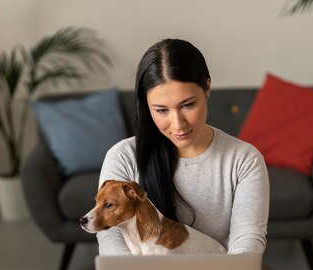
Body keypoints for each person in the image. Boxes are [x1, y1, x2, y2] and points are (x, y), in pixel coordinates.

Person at [97, 38, 269, 255]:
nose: (178, 124)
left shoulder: (244, 160)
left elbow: (247, 239)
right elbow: (109, 235)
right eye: (161, 110)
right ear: (146, 104)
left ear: (207, 88)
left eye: (187, 105)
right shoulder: (124, 156)